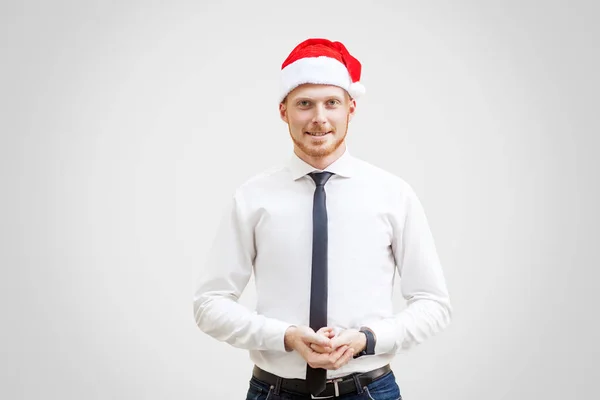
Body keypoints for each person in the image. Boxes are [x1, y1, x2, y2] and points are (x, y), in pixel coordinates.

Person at [193, 38, 452, 400]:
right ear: (284, 111)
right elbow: (209, 304)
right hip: (275, 391)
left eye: (332, 103)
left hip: (369, 390)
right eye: (304, 104)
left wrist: (368, 339)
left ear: (351, 108)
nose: (319, 118)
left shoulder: (394, 194)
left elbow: (433, 303)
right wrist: (284, 336)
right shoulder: (252, 197)